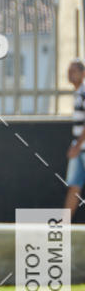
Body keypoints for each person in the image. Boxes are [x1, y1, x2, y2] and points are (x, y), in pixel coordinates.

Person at [64, 59, 85, 221]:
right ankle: (64, 224)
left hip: (81, 147)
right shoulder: (78, 94)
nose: (70, 74)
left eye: (73, 71)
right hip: (79, 149)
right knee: (74, 186)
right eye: (69, 71)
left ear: (83, 74)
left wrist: (77, 145)